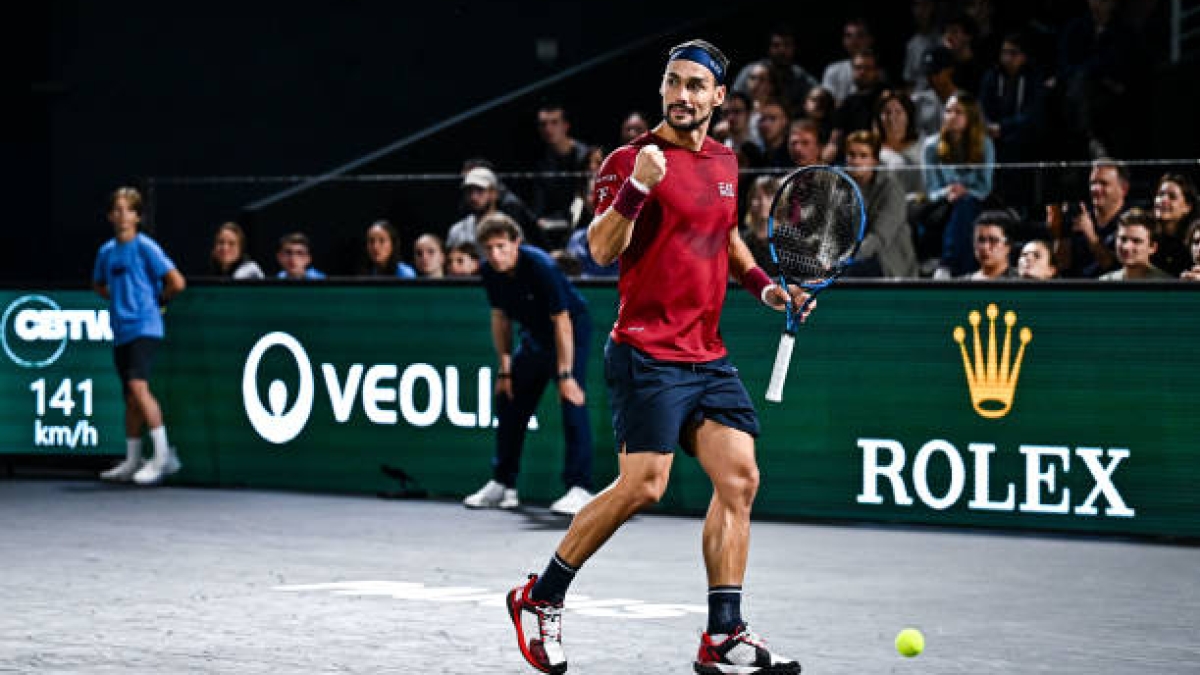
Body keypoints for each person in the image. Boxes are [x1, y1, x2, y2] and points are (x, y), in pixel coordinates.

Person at [505, 39, 808, 675]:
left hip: (707, 353)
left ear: (719, 98)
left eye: (696, 85)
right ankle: (542, 596)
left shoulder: (727, 161)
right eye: (673, 82)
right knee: (645, 483)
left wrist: (765, 287)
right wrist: (638, 189)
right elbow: (598, 249)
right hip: (646, 351)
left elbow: (727, 236)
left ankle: (723, 636)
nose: (682, 95)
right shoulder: (629, 160)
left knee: (740, 478)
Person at [463, 212, 595, 516]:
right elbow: (500, 318)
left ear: (516, 243)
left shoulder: (541, 266)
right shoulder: (490, 272)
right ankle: (502, 483)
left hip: (571, 330)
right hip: (535, 336)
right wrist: (505, 368)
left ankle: (580, 488)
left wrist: (565, 374)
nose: (495, 256)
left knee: (572, 401)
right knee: (507, 399)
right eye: (489, 249)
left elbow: (562, 321)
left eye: (501, 246)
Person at [92, 187, 186, 485]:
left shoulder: (146, 247)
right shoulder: (106, 252)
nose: (122, 216)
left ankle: (162, 457)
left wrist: (156, 303)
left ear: (137, 216)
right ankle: (132, 460)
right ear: (110, 216)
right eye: (117, 210)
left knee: (138, 387)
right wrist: (120, 298)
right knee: (130, 398)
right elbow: (98, 284)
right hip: (120, 330)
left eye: (128, 210)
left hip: (145, 326)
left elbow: (177, 282)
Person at [920, 90, 994, 278]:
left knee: (966, 204)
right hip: (942, 205)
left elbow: (985, 188)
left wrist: (965, 191)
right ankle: (964, 271)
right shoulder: (931, 146)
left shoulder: (984, 144)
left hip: (974, 203)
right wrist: (948, 192)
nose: (951, 116)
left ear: (970, 116)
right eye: (948, 111)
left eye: (958, 112)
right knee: (961, 206)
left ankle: (948, 264)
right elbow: (931, 190)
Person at [843, 130, 918, 278]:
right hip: (849, 258)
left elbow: (878, 238)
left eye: (863, 156)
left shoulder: (892, 188)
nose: (856, 161)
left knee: (849, 272)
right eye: (851, 155)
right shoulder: (839, 187)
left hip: (887, 263)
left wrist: (844, 260)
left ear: (875, 160)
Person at [1051, 158, 1129, 278]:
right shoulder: (1081, 216)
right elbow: (1062, 264)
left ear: (1123, 189)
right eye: (1093, 183)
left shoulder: (1131, 221)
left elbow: (1116, 267)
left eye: (1103, 183)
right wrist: (1060, 230)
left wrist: (1091, 236)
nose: (1095, 189)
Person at [874, 90, 926, 202]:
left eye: (898, 112)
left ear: (908, 115)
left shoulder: (923, 146)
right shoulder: (872, 148)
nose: (892, 118)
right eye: (887, 112)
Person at [1100, 208, 1173, 280]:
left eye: (1136, 241)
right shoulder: (1103, 283)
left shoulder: (1167, 285)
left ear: (1153, 247)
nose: (1126, 247)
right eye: (1123, 239)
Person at [446, 167, 504, 253]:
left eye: (480, 190)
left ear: (494, 193)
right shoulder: (457, 231)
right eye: (469, 191)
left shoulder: (509, 227)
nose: (473, 197)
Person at [1150, 172, 1198, 276]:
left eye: (1172, 196)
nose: (1163, 200)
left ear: (1187, 207)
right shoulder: (1146, 237)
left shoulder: (1195, 242)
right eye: (1160, 194)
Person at [739, 174, 780, 272]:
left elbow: (810, 277)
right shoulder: (741, 241)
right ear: (750, 201)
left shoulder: (790, 238)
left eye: (769, 196)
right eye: (757, 197)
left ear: (779, 201)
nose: (763, 202)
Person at [961, 210, 1019, 279]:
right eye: (980, 240)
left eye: (993, 240)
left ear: (1008, 245)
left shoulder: (1024, 283)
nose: (985, 247)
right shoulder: (960, 285)